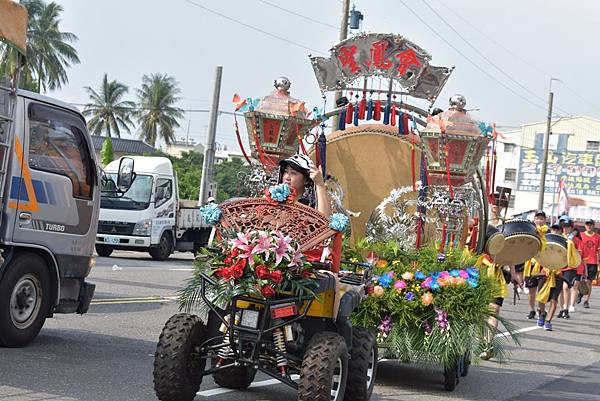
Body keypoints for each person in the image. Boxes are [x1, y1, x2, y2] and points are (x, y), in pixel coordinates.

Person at [278, 153, 331, 218]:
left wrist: (320, 185)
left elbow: (324, 222)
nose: (287, 177)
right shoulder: (274, 198)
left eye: (293, 173)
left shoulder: (310, 204)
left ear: (306, 179)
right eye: (286, 172)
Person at [524, 210, 547, 319]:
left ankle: (541, 310)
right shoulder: (530, 230)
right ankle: (532, 309)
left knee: (541, 291)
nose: (539, 220)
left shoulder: (547, 232)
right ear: (534, 219)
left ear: (545, 220)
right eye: (537, 218)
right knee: (531, 290)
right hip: (531, 264)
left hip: (542, 265)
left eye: (541, 218)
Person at [557, 219, 580, 319]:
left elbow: (579, 255)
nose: (565, 229)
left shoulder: (575, 240)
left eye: (567, 226)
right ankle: (562, 309)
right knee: (559, 289)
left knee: (565, 287)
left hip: (570, 267)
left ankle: (566, 309)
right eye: (563, 226)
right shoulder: (558, 237)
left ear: (571, 228)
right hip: (559, 266)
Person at [580, 219, 600, 308]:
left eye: (591, 224)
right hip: (582, 261)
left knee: (589, 281)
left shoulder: (598, 237)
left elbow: (598, 251)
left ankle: (586, 300)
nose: (589, 226)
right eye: (587, 224)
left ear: (593, 226)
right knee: (579, 280)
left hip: (592, 262)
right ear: (585, 226)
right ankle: (580, 293)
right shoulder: (581, 235)